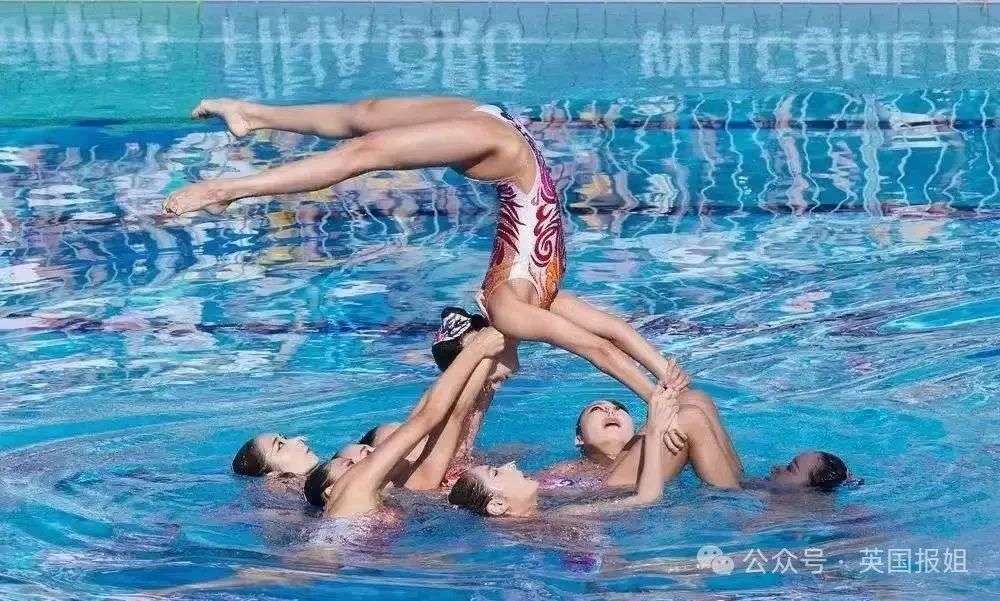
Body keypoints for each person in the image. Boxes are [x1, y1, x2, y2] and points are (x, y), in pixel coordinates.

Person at [164, 97, 685, 418]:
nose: (499, 378)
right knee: (364, 133)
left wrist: (658, 387)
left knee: (364, 134)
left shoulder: (513, 311)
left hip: (503, 142)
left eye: (488, 376)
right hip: (502, 141)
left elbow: (602, 344)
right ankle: (239, 152)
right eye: (492, 378)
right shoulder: (523, 309)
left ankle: (240, 152)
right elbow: (606, 338)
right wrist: (662, 384)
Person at [305, 327, 506, 516]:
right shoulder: (354, 491)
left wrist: (483, 350)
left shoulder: (394, 492)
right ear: (331, 489)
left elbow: (445, 418)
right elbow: (428, 416)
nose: (374, 455)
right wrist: (478, 348)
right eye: (351, 463)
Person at [448, 381, 685, 518]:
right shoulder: (559, 514)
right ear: (498, 505)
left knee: (690, 406)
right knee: (689, 416)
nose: (510, 464)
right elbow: (646, 500)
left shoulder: (551, 517)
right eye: (496, 472)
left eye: (618, 408)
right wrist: (655, 431)